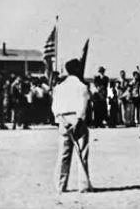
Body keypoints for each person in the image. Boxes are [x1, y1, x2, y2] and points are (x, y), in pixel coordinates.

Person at [52, 58, 91, 193]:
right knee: (82, 154)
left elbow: (55, 107)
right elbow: (83, 106)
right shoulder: (82, 86)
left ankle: (60, 185)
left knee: (63, 155)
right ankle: (84, 186)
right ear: (76, 69)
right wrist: (79, 121)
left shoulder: (59, 87)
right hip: (77, 120)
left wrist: (61, 120)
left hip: (63, 120)